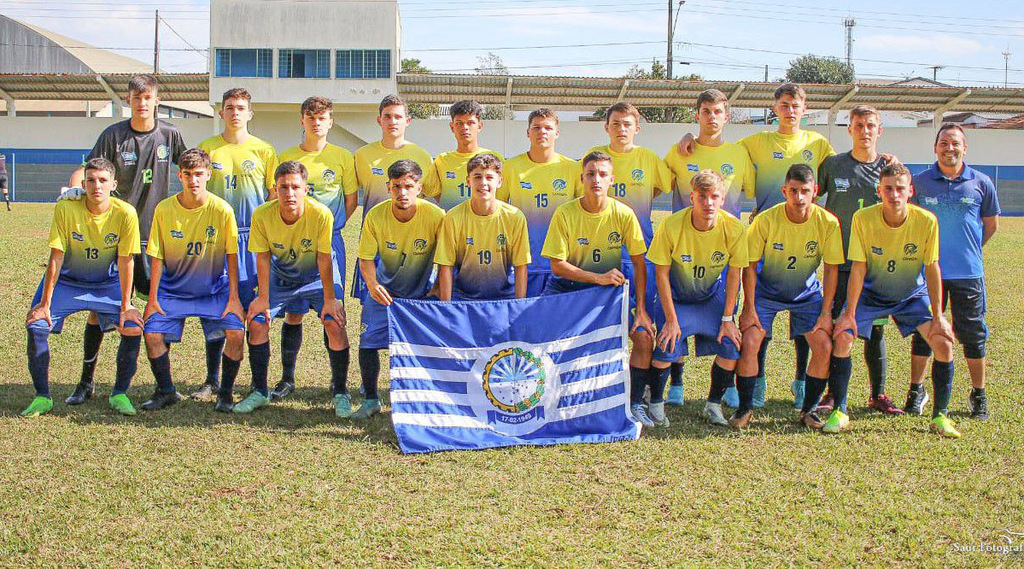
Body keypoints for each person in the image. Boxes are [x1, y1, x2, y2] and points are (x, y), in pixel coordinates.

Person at [680, 83, 836, 411]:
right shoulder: (757, 142)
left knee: (804, 322)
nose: (789, 110)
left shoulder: (819, 143)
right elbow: (717, 144)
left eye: (795, 105)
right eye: (783, 105)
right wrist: (691, 139)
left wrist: (884, 159)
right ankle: (759, 380)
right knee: (757, 319)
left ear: (804, 109)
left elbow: (843, 170)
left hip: (802, 235)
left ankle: (801, 381)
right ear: (775, 108)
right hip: (764, 238)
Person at [63, 74, 186, 406]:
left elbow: (187, 168)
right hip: (114, 239)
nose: (142, 103)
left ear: (157, 100)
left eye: (148, 98)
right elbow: (86, 168)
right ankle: (86, 382)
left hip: (153, 239)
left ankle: (165, 387)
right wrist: (74, 186)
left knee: (156, 309)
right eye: (136, 98)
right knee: (99, 310)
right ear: (128, 101)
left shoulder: (170, 134)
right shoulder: (114, 135)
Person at [832, 162, 961, 438]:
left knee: (943, 343)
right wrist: (850, 313)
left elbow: (932, 268)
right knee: (842, 336)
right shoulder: (862, 218)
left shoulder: (926, 221)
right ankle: (840, 411)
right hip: (871, 294)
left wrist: (938, 317)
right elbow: (858, 267)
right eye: (888, 189)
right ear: (879, 191)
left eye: (899, 189)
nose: (894, 195)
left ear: (910, 191)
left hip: (910, 296)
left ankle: (941, 417)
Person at [540, 151, 655, 425]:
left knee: (642, 337)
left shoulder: (624, 214)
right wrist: (597, 277)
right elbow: (557, 265)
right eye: (591, 174)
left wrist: (640, 310)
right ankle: (546, 398)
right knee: (539, 337)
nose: (596, 179)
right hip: (566, 288)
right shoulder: (565, 213)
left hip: (607, 293)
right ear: (582, 178)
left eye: (603, 174)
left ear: (612, 180)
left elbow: (640, 264)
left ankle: (636, 402)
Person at [23, 157, 143, 416]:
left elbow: (126, 261)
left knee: (132, 328)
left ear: (114, 184)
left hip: (106, 284)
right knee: (37, 325)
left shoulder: (125, 213)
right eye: (90, 180)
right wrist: (44, 304)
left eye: (102, 181)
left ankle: (120, 394)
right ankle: (43, 396)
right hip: (68, 282)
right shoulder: (66, 208)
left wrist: (127, 306)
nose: (96, 186)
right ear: (83, 183)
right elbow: (56, 255)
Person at [662, 88, 754, 405]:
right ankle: (676, 384)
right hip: (682, 248)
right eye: (705, 111)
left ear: (726, 117)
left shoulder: (740, 154)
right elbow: (657, 182)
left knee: (727, 317)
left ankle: (727, 386)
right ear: (697, 115)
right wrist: (685, 138)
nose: (711, 117)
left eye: (717, 112)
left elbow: (758, 190)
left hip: (724, 249)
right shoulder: (679, 152)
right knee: (676, 315)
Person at [234, 161, 348, 416]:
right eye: (283, 187)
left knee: (334, 321)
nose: (289, 193)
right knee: (257, 321)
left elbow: (323, 258)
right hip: (281, 276)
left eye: (295, 187)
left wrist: (330, 299)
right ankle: (260, 391)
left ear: (306, 189)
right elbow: (262, 258)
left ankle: (340, 392)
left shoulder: (321, 214)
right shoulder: (262, 214)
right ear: (275, 189)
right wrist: (262, 298)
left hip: (317, 276)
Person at [138, 149, 245, 411]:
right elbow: (158, 257)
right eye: (188, 174)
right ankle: (166, 391)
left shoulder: (222, 210)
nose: (193, 180)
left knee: (235, 333)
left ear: (208, 174)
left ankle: (226, 393)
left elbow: (232, 257)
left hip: (213, 291)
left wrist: (234, 298)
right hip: (174, 290)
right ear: (180, 176)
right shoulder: (164, 209)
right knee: (152, 333)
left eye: (199, 174)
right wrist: (152, 300)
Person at [738, 164, 844, 431]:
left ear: (815, 192)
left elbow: (831, 269)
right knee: (750, 340)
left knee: (824, 346)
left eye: (804, 191)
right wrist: (749, 308)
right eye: (793, 191)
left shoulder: (828, 222)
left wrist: (825, 312)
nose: (798, 198)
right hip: (767, 292)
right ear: (784, 191)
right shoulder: (766, 220)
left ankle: (808, 410)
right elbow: (749, 265)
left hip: (806, 295)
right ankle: (745, 408)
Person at [908, 124, 1000, 421]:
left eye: (956, 143)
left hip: (968, 273)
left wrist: (968, 250)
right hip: (927, 272)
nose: (950, 148)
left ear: (965, 148)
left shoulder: (982, 182)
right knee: (926, 331)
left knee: (972, 334)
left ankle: (979, 394)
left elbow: (991, 224)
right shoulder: (920, 183)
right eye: (944, 143)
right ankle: (916, 390)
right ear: (935, 147)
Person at [586, 103, 671, 408]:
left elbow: (662, 187)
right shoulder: (595, 158)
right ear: (606, 127)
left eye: (627, 124)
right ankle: (598, 385)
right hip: (602, 255)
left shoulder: (648, 158)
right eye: (616, 123)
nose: (621, 129)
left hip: (639, 253)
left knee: (642, 322)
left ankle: (643, 389)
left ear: (637, 128)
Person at [817, 105, 900, 415]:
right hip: (840, 262)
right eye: (858, 125)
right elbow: (811, 201)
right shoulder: (833, 166)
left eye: (870, 125)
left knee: (875, 329)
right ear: (849, 129)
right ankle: (831, 393)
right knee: (839, 327)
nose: (865, 130)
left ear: (879, 130)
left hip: (874, 264)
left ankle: (877, 394)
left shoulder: (890, 169)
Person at [196, 88, 278, 401]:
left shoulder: (264, 150)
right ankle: (212, 379)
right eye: (229, 107)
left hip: (251, 238)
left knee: (257, 310)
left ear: (250, 113)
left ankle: (260, 385)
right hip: (216, 240)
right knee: (218, 310)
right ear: (221, 113)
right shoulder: (207, 148)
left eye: (241, 107)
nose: (234, 113)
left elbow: (272, 196)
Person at [648, 170, 746, 428]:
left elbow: (735, 275)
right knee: (667, 344)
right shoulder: (671, 226)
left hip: (710, 299)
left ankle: (712, 405)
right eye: (702, 196)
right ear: (692, 197)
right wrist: (670, 319)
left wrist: (728, 318)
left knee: (731, 345)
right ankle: (656, 405)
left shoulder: (734, 228)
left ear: (723, 199)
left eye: (714, 196)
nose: (708, 203)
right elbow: (661, 274)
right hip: (677, 299)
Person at [276, 96, 358, 401]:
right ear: (302, 120)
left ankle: (339, 386)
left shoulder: (342, 157)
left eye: (322, 117)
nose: (316, 122)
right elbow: (277, 200)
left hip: (331, 240)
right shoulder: (286, 156)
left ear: (331, 121)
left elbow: (351, 201)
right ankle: (287, 378)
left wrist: (330, 228)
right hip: (293, 243)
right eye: (310, 117)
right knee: (293, 313)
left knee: (332, 311)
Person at [356, 160, 446, 419]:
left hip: (421, 294)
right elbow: (365, 259)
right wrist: (373, 285)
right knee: (368, 342)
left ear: (420, 188)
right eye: (396, 186)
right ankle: (371, 399)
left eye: (408, 186)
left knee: (426, 346)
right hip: (384, 291)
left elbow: (447, 259)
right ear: (388, 187)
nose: (402, 192)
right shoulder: (375, 215)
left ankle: (424, 397)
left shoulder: (436, 216)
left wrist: (438, 288)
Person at [352, 95, 440, 303]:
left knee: (413, 303)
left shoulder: (423, 156)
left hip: (411, 246)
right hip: (375, 241)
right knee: (373, 301)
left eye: (398, 117)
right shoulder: (362, 155)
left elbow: (435, 197)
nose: (393, 122)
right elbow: (348, 195)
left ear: (407, 121)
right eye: (388, 116)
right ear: (379, 120)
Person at [499, 108, 582, 296]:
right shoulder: (511, 167)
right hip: (522, 263)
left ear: (557, 133)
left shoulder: (572, 168)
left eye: (548, 128)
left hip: (561, 263)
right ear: (528, 132)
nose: (542, 132)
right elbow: (498, 211)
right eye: (536, 127)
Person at [436, 153, 530, 300]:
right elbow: (445, 266)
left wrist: (519, 305)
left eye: (489, 177)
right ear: (468, 181)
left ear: (500, 182)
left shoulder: (514, 217)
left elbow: (521, 266)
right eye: (477, 177)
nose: (483, 183)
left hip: (504, 298)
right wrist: (447, 309)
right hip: (463, 298)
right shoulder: (453, 217)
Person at [429, 99, 503, 211]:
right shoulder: (442, 160)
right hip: (453, 226)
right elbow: (436, 193)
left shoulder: (494, 158)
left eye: (470, 122)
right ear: (452, 127)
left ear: (480, 126)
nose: (465, 127)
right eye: (459, 123)